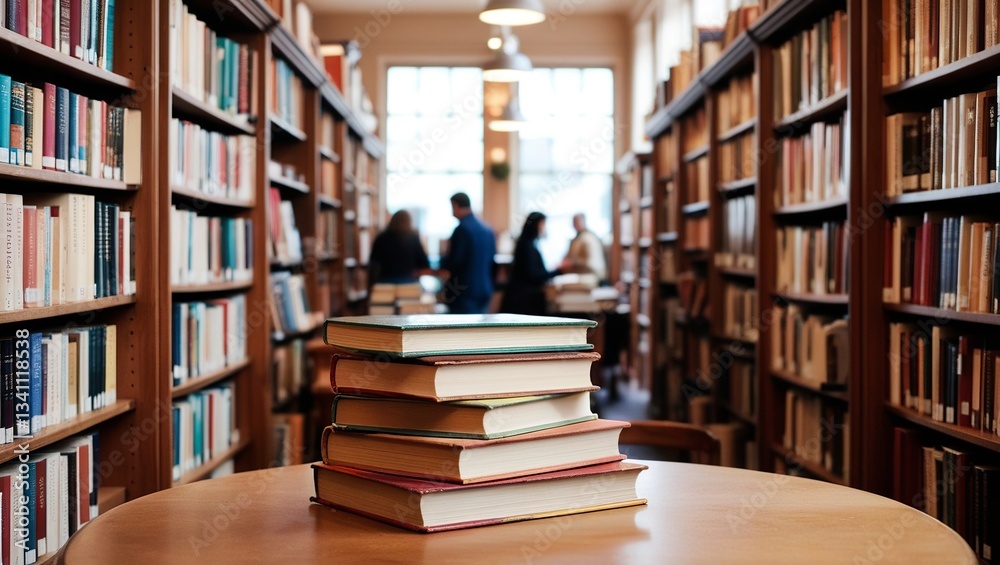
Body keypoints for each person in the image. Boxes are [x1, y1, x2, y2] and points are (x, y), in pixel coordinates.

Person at [439, 192, 496, 314]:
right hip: (485, 289)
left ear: (455, 205)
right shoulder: (487, 229)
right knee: (479, 331)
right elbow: (492, 260)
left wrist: (443, 260)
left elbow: (455, 261)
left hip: (463, 292)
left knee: (460, 331)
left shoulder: (462, 230)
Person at [500, 212, 562, 316]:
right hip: (524, 300)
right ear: (537, 225)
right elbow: (533, 274)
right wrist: (558, 271)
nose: (544, 228)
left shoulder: (528, 243)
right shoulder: (527, 246)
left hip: (522, 297)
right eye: (543, 224)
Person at [368, 210, 431, 284]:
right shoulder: (414, 239)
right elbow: (424, 263)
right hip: (408, 282)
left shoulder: (381, 238)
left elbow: (373, 261)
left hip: (385, 282)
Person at [563, 213, 607, 282]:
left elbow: (590, 263)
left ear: (583, 222)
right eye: (574, 222)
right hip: (585, 275)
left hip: (592, 275)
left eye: (577, 222)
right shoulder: (578, 238)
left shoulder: (587, 238)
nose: (574, 225)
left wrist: (571, 263)